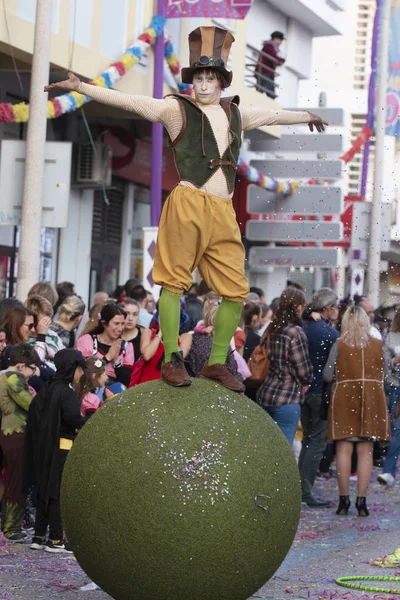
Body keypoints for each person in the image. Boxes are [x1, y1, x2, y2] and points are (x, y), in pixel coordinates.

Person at [45, 26, 326, 393]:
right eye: (199, 77)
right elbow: (131, 102)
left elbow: (274, 116)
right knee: (174, 282)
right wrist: (82, 87)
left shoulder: (237, 114)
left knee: (236, 291)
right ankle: (172, 357)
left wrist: (307, 115)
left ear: (221, 82)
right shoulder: (176, 109)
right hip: (188, 202)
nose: (203, 84)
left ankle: (215, 362)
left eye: (210, 78)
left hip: (223, 211)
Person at [323, 306, 390, 517]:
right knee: (366, 451)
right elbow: (386, 376)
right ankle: (362, 500)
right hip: (371, 399)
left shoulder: (339, 344)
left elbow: (326, 375)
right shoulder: (378, 345)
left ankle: (343, 500)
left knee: (343, 450)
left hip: (344, 398)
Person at [23, 349, 86, 553]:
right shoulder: (67, 392)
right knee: (56, 492)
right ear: (73, 368)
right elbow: (72, 420)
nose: (82, 373)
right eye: (80, 369)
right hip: (62, 447)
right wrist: (87, 421)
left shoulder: (46, 389)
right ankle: (56, 539)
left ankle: (39, 535)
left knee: (43, 490)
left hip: (42, 447)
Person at [257, 288, 313, 446]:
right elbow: (303, 368)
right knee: (283, 451)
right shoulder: (295, 332)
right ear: (298, 307)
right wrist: (308, 380)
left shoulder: (272, 328)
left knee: (265, 447)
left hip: (266, 392)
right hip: (288, 396)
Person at [299, 288, 339, 508]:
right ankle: (305, 490)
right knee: (316, 442)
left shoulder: (302, 327)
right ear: (327, 308)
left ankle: (300, 487)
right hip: (321, 392)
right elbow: (333, 368)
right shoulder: (330, 334)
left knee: (307, 439)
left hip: (301, 390)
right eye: (335, 307)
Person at [0, 343, 40, 541]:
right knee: (17, 481)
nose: (34, 373)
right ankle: (12, 527)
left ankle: (8, 524)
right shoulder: (14, 377)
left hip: (6, 434)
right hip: (17, 435)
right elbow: (32, 405)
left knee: (11, 480)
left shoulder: (1, 376)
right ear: (22, 365)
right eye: (32, 368)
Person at [77, 304, 134, 387]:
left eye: (122, 324)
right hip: (91, 389)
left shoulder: (127, 347)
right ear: (104, 324)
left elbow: (126, 381)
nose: (120, 328)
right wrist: (107, 358)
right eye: (116, 323)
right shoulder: (88, 341)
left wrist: (116, 361)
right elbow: (85, 372)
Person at [183, 296, 240, 379]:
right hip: (216, 385)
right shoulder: (224, 342)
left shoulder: (193, 338)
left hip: (193, 384)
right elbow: (233, 369)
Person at [377, 312, 400, 486]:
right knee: (397, 429)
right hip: (396, 387)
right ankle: (388, 471)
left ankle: (388, 471)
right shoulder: (391, 337)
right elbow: (384, 365)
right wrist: (395, 361)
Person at [25, 295, 65, 369]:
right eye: (43, 320)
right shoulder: (24, 338)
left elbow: (64, 359)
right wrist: (41, 336)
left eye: (48, 318)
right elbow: (35, 366)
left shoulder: (53, 336)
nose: (46, 323)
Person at [255, 31, 286, 98]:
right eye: (280, 40)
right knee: (266, 92)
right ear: (276, 39)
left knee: (268, 92)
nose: (281, 42)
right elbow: (273, 57)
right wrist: (282, 60)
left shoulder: (273, 47)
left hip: (267, 73)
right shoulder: (269, 46)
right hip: (264, 72)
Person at [120, 298, 142, 364]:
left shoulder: (143, 337)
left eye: (135, 314)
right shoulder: (113, 334)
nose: (130, 318)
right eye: (127, 313)